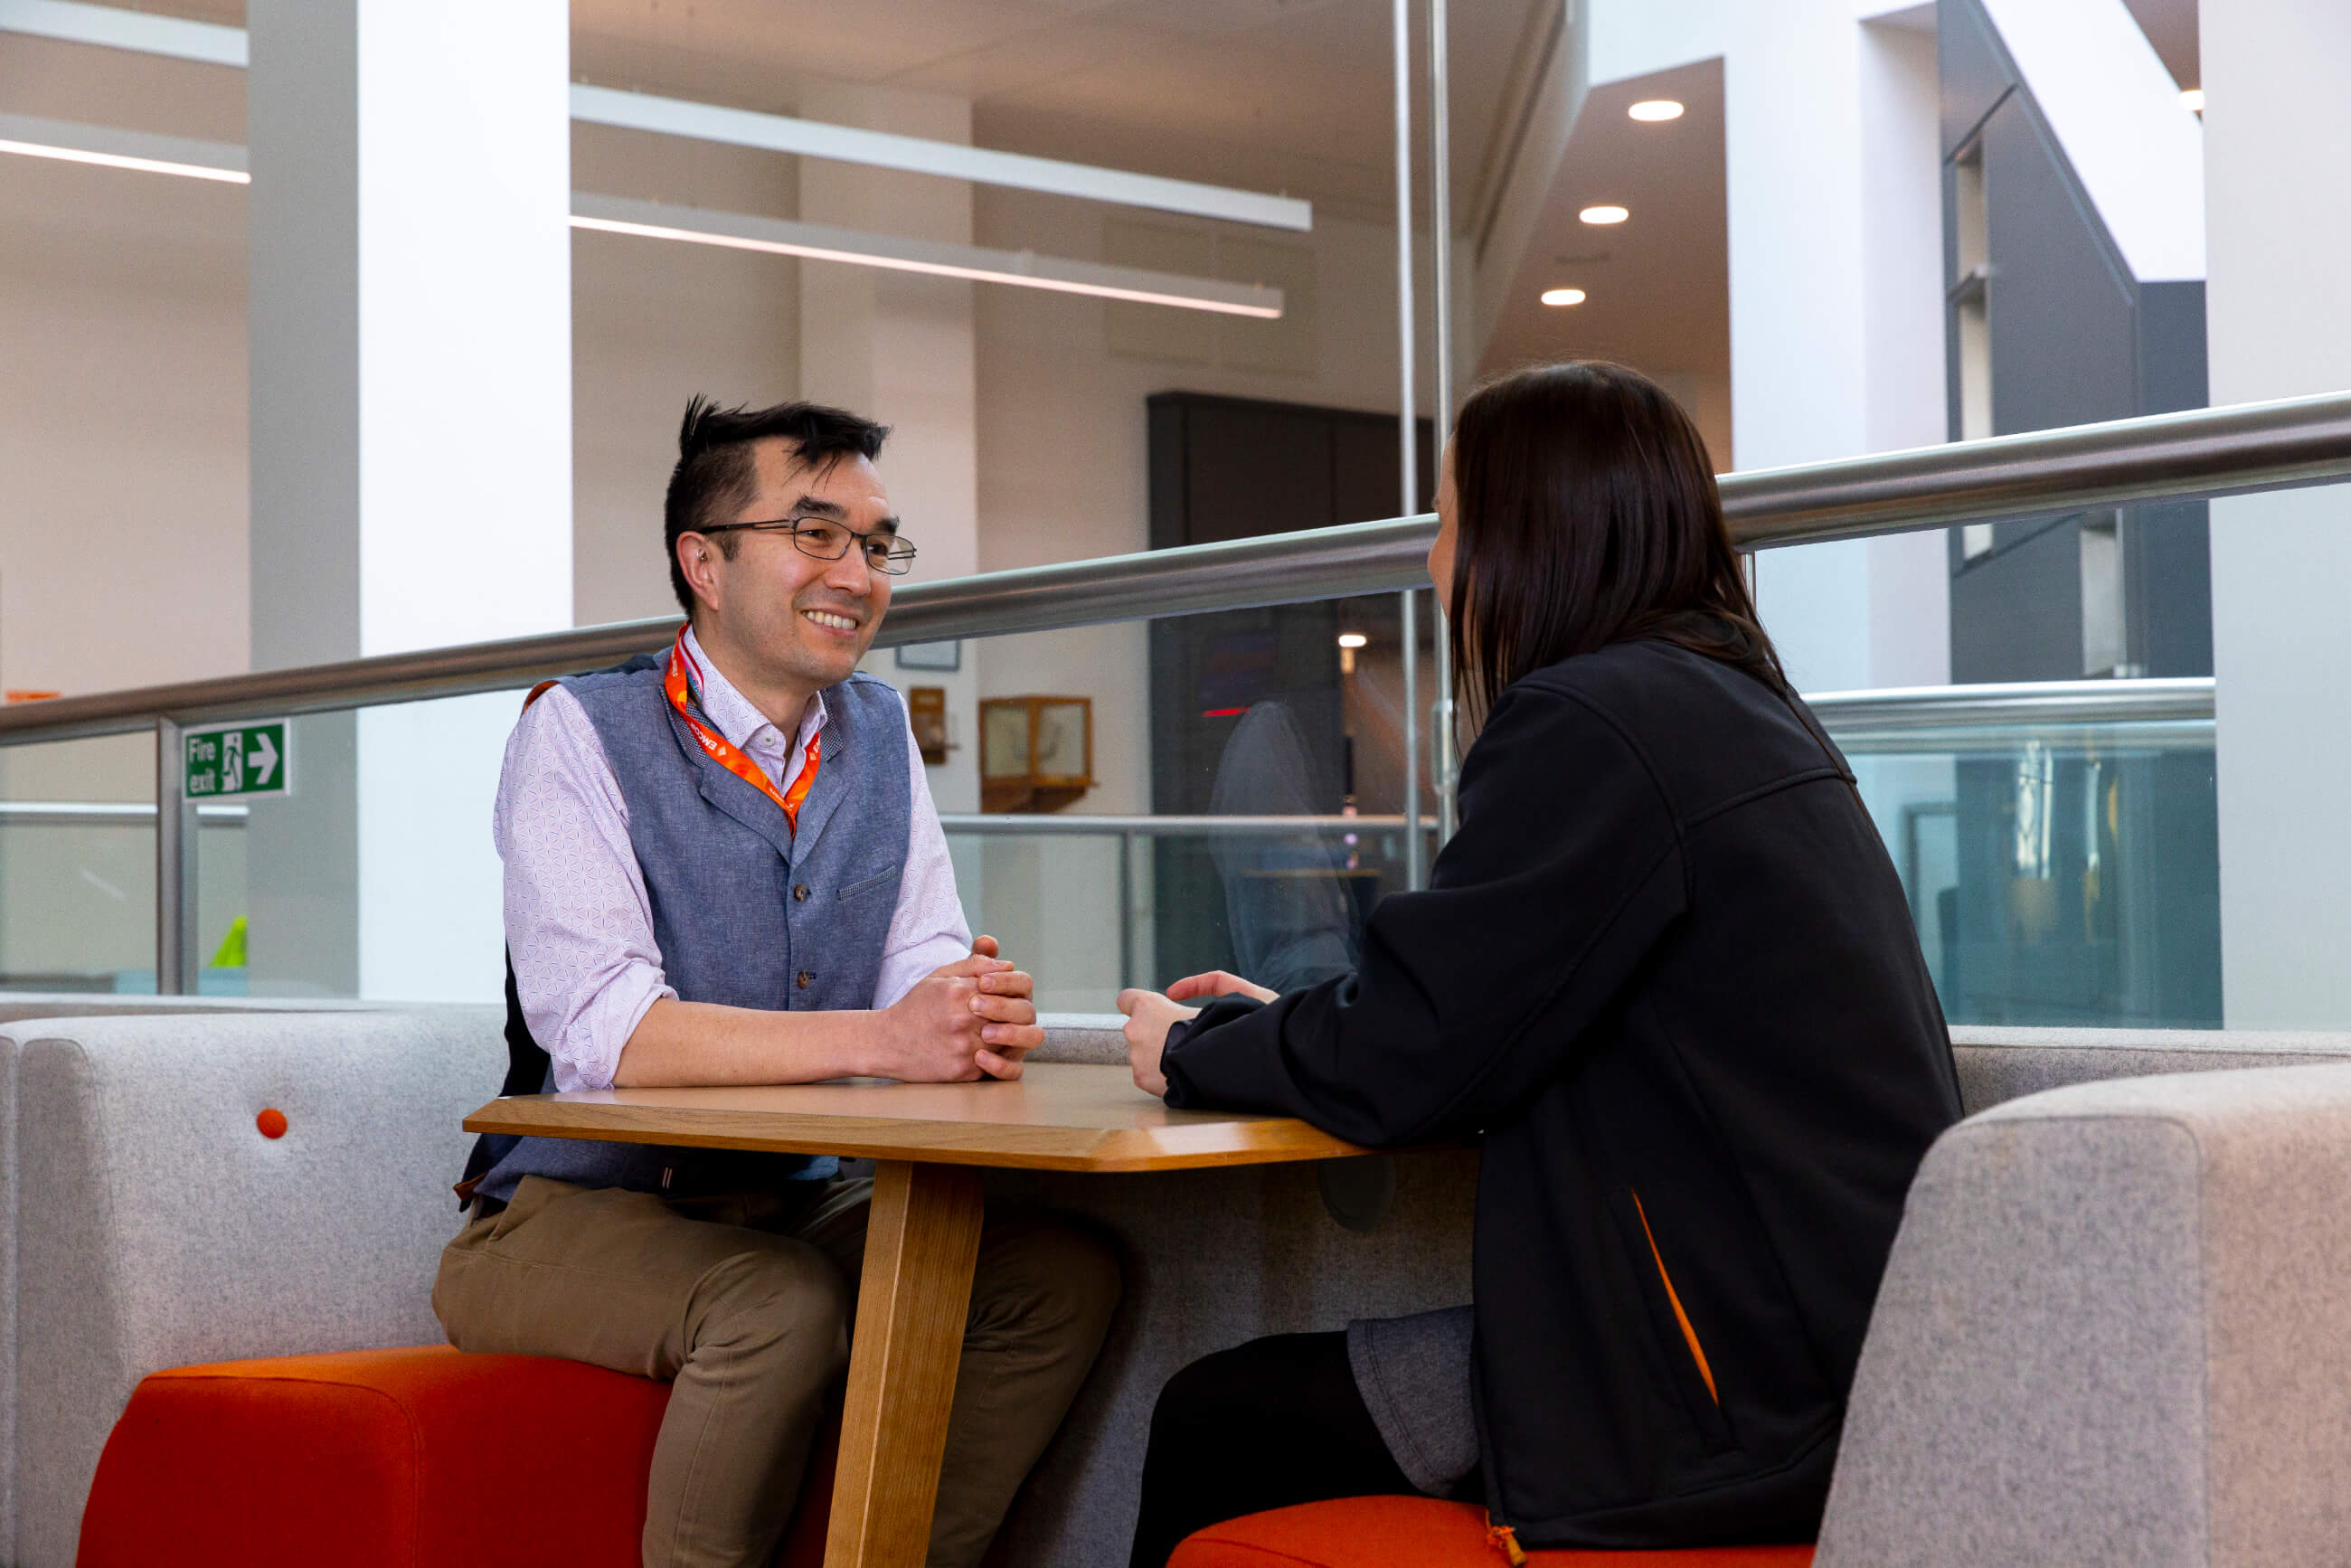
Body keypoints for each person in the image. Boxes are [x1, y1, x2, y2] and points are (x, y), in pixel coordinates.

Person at [1117, 362, 1962, 1564]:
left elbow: (1415, 1053)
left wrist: (1192, 1050)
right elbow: (1483, 1007)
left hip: (1725, 1395)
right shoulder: (1728, 706)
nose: (1433, 563)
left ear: (1527, 535)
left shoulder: (1592, 722)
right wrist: (1306, 1020)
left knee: (1215, 1419)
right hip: (1817, 1359)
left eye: (1451, 523)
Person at [436, 397, 1121, 1568]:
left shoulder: (877, 731)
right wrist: (892, 1035)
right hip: (569, 1214)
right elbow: (611, 1034)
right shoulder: (577, 731)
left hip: (793, 1197)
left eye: (876, 543)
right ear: (703, 562)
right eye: (815, 534)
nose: (856, 572)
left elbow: (920, 972)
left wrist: (968, 1012)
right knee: (779, 1303)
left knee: (1059, 1277)